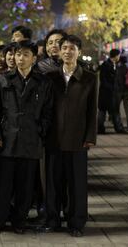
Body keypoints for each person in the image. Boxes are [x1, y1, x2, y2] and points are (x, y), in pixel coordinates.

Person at [0, 40, 53, 234]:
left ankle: (19, 222)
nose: (20, 58)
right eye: (18, 54)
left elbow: (48, 112)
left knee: (25, 187)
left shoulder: (43, 82)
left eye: (26, 54)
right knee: (3, 185)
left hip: (31, 139)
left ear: (34, 58)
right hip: (7, 139)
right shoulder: (2, 80)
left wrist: (40, 130)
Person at [42, 35, 98, 237]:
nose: (67, 51)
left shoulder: (90, 78)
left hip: (77, 139)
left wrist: (90, 136)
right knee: (53, 183)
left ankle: (76, 223)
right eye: (64, 47)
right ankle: (52, 219)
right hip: (53, 139)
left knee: (77, 185)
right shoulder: (51, 77)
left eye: (71, 48)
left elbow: (92, 110)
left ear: (79, 52)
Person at [98, 49, 127, 133]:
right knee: (103, 112)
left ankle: (118, 128)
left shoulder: (116, 64)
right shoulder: (105, 65)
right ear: (115, 56)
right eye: (118, 55)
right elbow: (103, 80)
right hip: (106, 93)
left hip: (112, 93)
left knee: (114, 111)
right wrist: (112, 88)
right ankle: (101, 128)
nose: (119, 57)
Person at [115, 56, 128, 129]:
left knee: (116, 108)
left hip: (119, 91)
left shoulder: (117, 69)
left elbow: (116, 80)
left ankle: (117, 122)